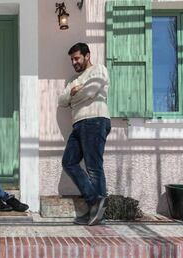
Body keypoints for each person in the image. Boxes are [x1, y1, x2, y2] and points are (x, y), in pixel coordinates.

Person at [58, 42, 111, 226]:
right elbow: (62, 101)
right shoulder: (73, 80)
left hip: (95, 120)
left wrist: (75, 96)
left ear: (87, 56)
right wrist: (74, 94)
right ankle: (95, 202)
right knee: (69, 162)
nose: (74, 62)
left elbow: (91, 91)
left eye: (77, 58)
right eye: (72, 59)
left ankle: (98, 214)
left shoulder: (99, 70)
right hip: (79, 124)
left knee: (94, 167)